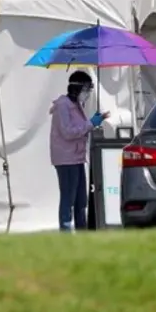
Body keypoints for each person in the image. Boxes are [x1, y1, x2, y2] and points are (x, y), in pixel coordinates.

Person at [48, 70, 110, 232]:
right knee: (68, 197)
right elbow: (68, 132)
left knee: (81, 199)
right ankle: (66, 231)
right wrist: (90, 123)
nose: (87, 93)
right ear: (76, 89)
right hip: (66, 159)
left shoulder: (77, 105)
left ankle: (82, 232)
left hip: (77, 158)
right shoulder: (62, 106)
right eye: (86, 89)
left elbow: (81, 128)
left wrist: (96, 120)